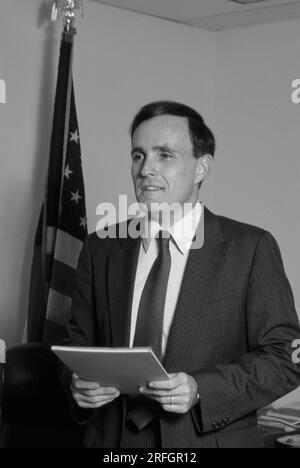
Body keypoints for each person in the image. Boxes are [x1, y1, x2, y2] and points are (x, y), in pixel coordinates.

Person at [59, 101, 300, 448]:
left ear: (202, 167)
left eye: (165, 155)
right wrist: (76, 383)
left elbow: (284, 357)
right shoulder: (100, 248)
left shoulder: (251, 248)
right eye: (138, 155)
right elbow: (76, 346)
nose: (146, 169)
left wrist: (201, 389)